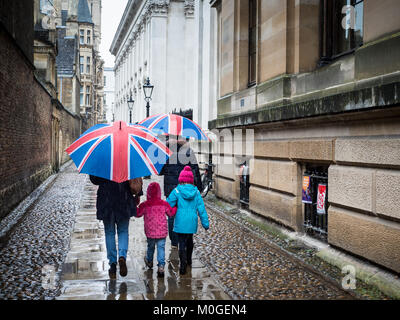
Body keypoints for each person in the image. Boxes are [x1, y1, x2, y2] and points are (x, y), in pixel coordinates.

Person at [89, 175, 142, 279]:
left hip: (106, 199)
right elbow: (135, 175)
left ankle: (112, 264)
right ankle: (122, 256)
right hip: (124, 198)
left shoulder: (102, 159)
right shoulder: (128, 159)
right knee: (123, 231)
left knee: (109, 233)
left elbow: (94, 180)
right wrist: (139, 194)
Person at [159, 135, 202, 248]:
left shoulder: (166, 151)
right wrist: (199, 187)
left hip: (170, 189)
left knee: (171, 214)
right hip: (185, 187)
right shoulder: (188, 151)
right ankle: (185, 238)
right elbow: (195, 170)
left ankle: (174, 242)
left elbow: (160, 171)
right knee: (185, 211)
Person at [166, 166, 209, 275]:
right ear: (191, 180)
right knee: (189, 240)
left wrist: (173, 208)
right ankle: (189, 260)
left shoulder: (176, 190)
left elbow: (168, 204)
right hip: (191, 221)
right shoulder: (196, 192)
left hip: (180, 221)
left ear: (180, 179)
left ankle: (183, 266)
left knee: (181, 243)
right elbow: (201, 209)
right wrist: (205, 223)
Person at [136, 182, 176, 277]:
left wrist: (135, 202)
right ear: (159, 192)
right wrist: (175, 207)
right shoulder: (164, 204)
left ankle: (149, 261)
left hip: (150, 232)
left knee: (150, 247)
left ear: (148, 193)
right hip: (162, 232)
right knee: (161, 248)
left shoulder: (145, 205)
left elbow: (137, 214)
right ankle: (161, 266)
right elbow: (170, 213)